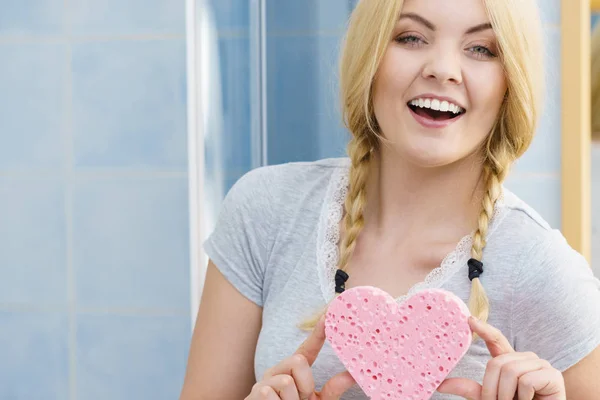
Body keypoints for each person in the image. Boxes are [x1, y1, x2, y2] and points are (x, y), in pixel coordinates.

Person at [180, 0, 600, 399]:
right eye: (412, 38)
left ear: (510, 85)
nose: (442, 69)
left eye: (481, 48)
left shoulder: (541, 268)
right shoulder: (266, 210)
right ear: (371, 56)